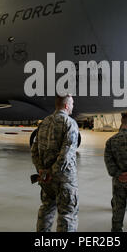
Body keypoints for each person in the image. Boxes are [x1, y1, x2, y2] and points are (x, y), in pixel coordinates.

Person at [30, 94, 80, 232]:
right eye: (72, 104)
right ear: (66, 105)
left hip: (46, 179)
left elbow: (34, 150)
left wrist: (42, 170)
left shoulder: (44, 123)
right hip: (64, 180)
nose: (73, 106)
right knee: (67, 215)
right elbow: (67, 154)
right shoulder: (70, 123)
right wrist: (53, 172)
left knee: (46, 209)